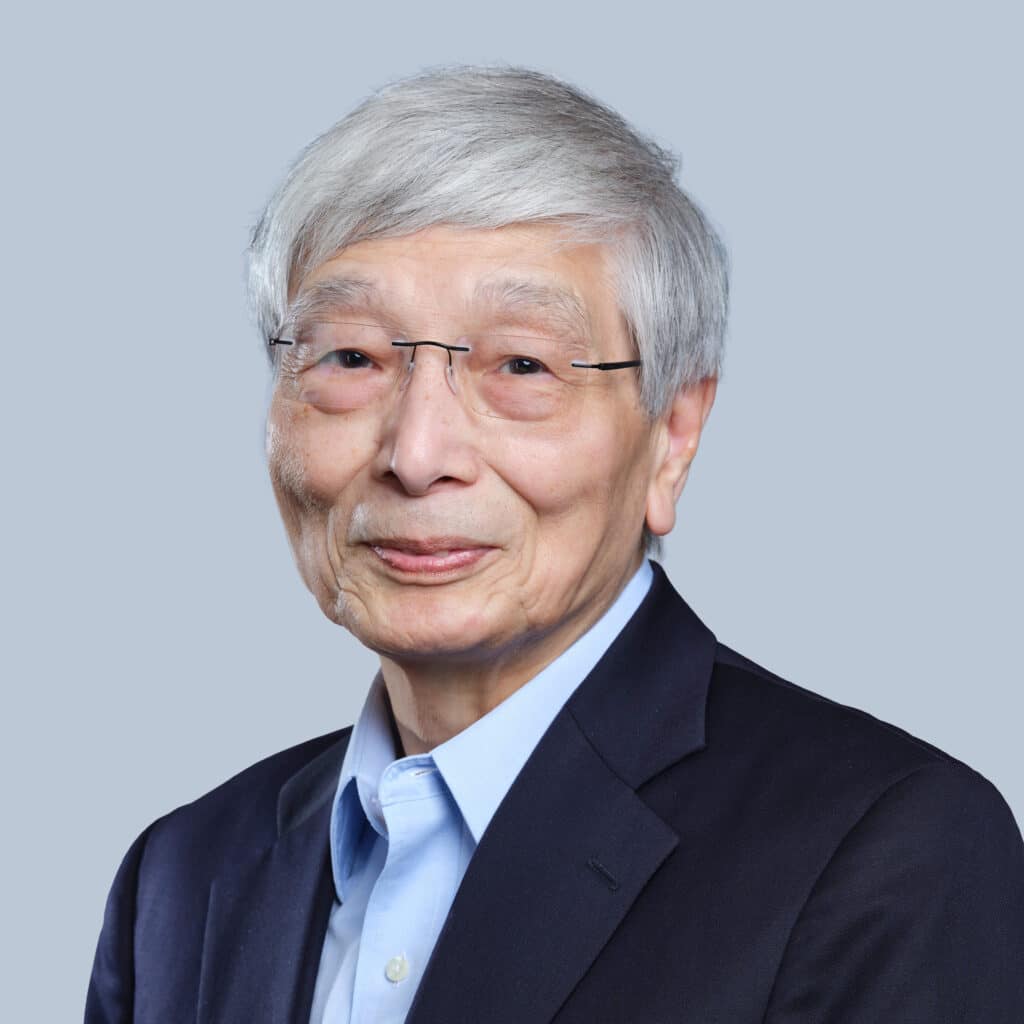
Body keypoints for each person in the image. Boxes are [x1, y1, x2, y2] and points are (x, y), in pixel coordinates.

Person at [85, 66, 1024, 1024]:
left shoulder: (885, 852)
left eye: (523, 365)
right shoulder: (182, 877)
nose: (417, 456)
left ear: (673, 436)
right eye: (353, 358)